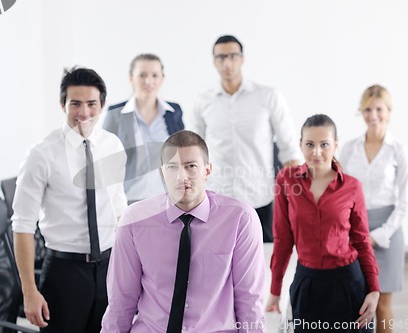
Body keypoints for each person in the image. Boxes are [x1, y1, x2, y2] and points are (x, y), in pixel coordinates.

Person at [101, 130, 266, 332]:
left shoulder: (241, 219)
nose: (182, 176)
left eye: (191, 166)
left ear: (207, 171)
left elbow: (250, 300)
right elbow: (121, 299)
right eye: (172, 167)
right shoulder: (134, 220)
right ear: (162, 172)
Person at [12, 67, 128, 332]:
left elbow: (119, 206)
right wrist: (29, 291)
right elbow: (22, 225)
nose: (84, 112)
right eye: (75, 103)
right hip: (65, 272)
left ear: (102, 106)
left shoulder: (113, 146)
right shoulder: (41, 155)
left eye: (91, 104)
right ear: (62, 104)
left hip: (110, 267)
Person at [267, 114, 380, 333]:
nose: (316, 152)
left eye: (324, 144)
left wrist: (374, 290)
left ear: (336, 145)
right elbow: (282, 239)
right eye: (310, 144)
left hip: (348, 283)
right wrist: (275, 290)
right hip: (307, 284)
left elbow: (362, 241)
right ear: (300, 145)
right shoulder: (286, 180)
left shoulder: (352, 187)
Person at [190, 34, 301, 242]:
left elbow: (289, 149)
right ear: (214, 62)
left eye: (233, 56)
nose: (227, 63)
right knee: (218, 262)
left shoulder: (268, 96)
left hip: (259, 199)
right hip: (217, 199)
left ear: (242, 59)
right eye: (221, 57)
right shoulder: (203, 101)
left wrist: (295, 202)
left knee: (264, 263)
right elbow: (193, 152)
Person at [339, 85, 408, 333]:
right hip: (354, 228)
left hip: (388, 232)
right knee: (357, 301)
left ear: (389, 112)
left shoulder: (399, 150)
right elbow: (341, 191)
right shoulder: (349, 148)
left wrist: (378, 235)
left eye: (379, 109)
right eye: (367, 109)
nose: (373, 115)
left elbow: (404, 202)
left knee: (382, 305)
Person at [104, 53, 184, 204]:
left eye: (155, 75)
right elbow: (105, 162)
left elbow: (184, 155)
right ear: (131, 78)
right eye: (142, 75)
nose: (149, 81)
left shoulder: (173, 112)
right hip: (129, 200)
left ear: (162, 79)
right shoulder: (116, 114)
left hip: (168, 199)